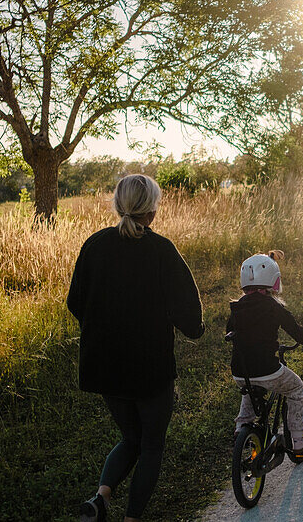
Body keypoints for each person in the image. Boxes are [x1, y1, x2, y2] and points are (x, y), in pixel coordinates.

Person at [67, 174, 204, 522]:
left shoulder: (94, 245)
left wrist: (102, 331)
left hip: (105, 366)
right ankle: (131, 518)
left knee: (131, 437)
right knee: (152, 444)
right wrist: (196, 329)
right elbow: (188, 310)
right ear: (153, 211)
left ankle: (100, 500)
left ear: (118, 205)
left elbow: (75, 303)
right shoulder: (162, 250)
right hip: (150, 369)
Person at [227, 250, 303, 459]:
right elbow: (297, 332)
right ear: (273, 280)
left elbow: (232, 333)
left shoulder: (236, 307)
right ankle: (299, 443)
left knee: (249, 386)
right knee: (296, 389)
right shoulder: (273, 307)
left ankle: (241, 429)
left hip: (239, 371)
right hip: (268, 371)